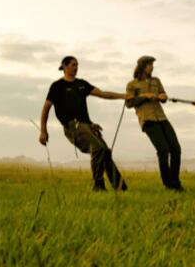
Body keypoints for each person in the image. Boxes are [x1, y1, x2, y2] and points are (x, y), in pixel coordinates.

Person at [39, 56, 128, 191]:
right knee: (98, 149)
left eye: (77, 65)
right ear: (64, 66)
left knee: (105, 152)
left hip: (88, 126)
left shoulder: (82, 84)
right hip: (73, 126)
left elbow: (103, 94)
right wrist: (43, 131)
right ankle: (98, 186)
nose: (76, 67)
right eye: (73, 65)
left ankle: (120, 187)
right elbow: (46, 108)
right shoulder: (57, 86)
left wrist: (123, 96)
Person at [126, 55, 183, 191]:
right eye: (149, 65)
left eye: (152, 65)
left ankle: (175, 182)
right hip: (147, 120)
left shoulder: (157, 81)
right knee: (163, 149)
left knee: (176, 149)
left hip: (162, 118)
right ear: (142, 66)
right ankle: (168, 184)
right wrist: (145, 96)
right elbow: (128, 103)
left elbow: (163, 95)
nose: (152, 67)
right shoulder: (132, 84)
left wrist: (163, 97)